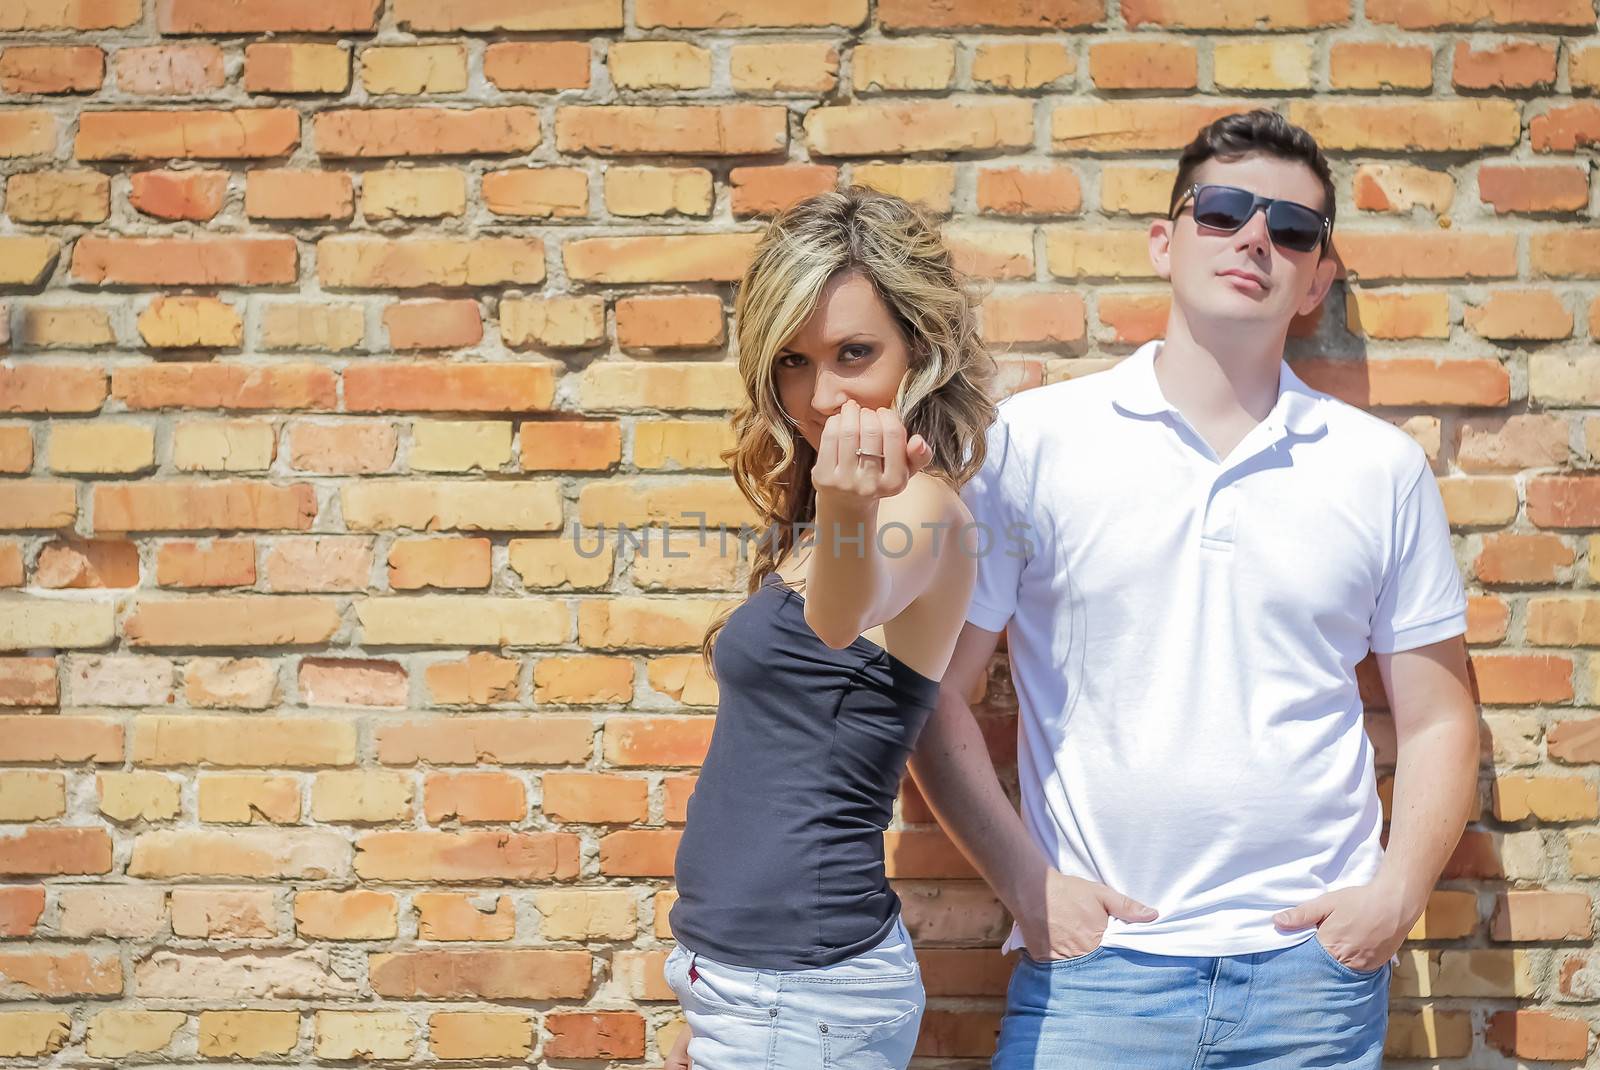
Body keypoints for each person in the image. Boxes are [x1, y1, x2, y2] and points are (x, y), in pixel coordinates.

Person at [908, 109, 1479, 1068]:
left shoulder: (1380, 469)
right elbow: (932, 696)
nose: (1256, 236)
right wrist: (1026, 885)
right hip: (1097, 981)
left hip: (1312, 985)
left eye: (1293, 229)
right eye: (1223, 210)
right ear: (1165, 242)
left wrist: (1394, 898)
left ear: (1315, 281)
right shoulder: (1035, 444)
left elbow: (1437, 718)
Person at [662, 186, 998, 1070]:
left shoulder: (922, 507)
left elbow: (843, 621)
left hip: (798, 994)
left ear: (919, 351)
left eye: (855, 353)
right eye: (793, 363)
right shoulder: (828, 512)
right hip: (752, 986)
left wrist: (847, 506)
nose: (821, 394)